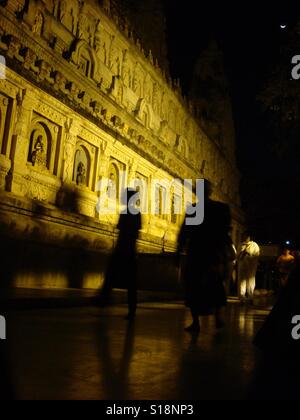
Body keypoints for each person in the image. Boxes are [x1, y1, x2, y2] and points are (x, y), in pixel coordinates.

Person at [177, 179, 231, 334]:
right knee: (213, 284)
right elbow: (224, 232)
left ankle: (196, 322)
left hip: (197, 251)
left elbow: (184, 233)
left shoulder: (194, 209)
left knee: (194, 285)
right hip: (211, 251)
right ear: (210, 191)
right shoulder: (220, 208)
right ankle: (217, 316)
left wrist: (178, 251)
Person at [101, 188, 142, 320]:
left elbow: (123, 230)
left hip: (123, 249)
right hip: (129, 250)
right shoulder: (136, 213)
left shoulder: (126, 213)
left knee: (112, 276)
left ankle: (104, 300)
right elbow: (136, 232)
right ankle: (131, 309)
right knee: (131, 283)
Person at [237, 232, 260, 302]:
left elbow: (256, 255)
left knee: (250, 281)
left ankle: (250, 296)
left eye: (247, 236)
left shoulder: (254, 245)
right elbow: (237, 256)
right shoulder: (241, 245)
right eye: (244, 236)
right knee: (241, 281)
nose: (245, 237)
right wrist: (242, 253)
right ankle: (242, 297)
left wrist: (249, 253)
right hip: (242, 266)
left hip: (251, 266)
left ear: (249, 237)